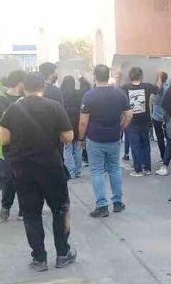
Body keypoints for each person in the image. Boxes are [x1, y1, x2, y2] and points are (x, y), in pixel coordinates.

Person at [0, 73, 76, 271]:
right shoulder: (54, 107)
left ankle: (39, 259)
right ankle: (63, 254)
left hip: (24, 170)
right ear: (44, 87)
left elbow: (3, 139)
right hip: (51, 167)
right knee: (60, 210)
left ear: (23, 87)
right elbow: (68, 136)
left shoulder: (13, 109)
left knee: (31, 214)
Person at [78, 64, 133, 218]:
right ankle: (117, 202)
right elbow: (129, 115)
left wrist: (81, 139)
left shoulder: (89, 95)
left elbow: (83, 122)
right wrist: (121, 128)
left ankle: (102, 206)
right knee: (114, 169)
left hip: (95, 138)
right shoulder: (119, 93)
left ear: (94, 76)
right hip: (114, 138)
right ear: (108, 75)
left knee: (97, 171)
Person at [0, 70, 26, 221]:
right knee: (8, 177)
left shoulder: (27, 99)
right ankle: (6, 204)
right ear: (20, 84)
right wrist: (16, 105)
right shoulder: (1, 98)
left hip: (24, 143)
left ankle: (23, 209)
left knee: (24, 177)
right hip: (6, 145)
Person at [120, 67, 158, 176]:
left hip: (131, 121)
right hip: (145, 120)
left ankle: (138, 169)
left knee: (135, 146)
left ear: (130, 76)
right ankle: (147, 168)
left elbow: (116, 91)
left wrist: (118, 78)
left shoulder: (125, 88)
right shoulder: (147, 86)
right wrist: (159, 76)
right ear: (141, 76)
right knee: (146, 145)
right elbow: (158, 89)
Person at [61, 76, 83, 179]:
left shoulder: (62, 94)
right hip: (78, 122)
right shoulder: (78, 94)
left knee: (67, 149)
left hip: (66, 123)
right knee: (77, 148)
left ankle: (71, 171)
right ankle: (78, 171)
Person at [150, 71, 168, 162]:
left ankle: (164, 156)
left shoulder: (158, 89)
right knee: (169, 137)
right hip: (166, 115)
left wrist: (159, 76)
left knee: (160, 138)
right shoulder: (168, 87)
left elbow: (159, 88)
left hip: (157, 116)